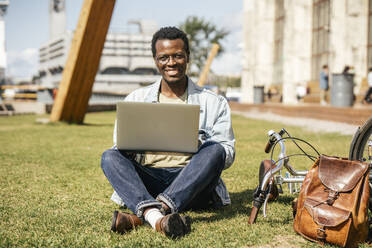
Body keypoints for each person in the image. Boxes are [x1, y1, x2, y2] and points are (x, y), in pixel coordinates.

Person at [101, 27, 235, 238]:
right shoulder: (136, 98)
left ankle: (149, 214)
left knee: (216, 149)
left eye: (178, 56)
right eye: (164, 57)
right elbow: (121, 146)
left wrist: (197, 147)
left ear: (187, 57)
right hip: (148, 180)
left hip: (193, 183)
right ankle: (159, 216)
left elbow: (226, 155)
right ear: (155, 60)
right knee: (109, 156)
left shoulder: (213, 102)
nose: (171, 63)